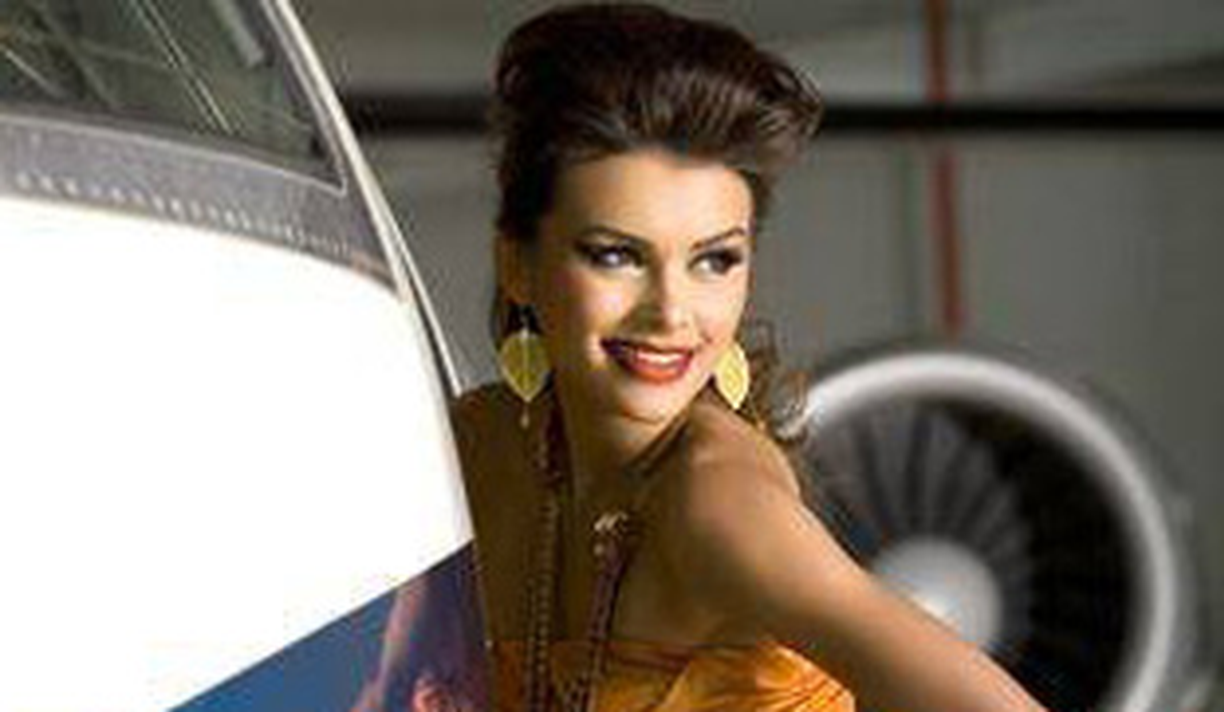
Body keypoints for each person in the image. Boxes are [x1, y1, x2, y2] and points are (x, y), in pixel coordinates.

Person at [375, 4, 1050, 711]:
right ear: (517, 264)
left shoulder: (717, 500)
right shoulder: (474, 449)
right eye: (616, 256)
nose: (671, 313)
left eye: (715, 260)